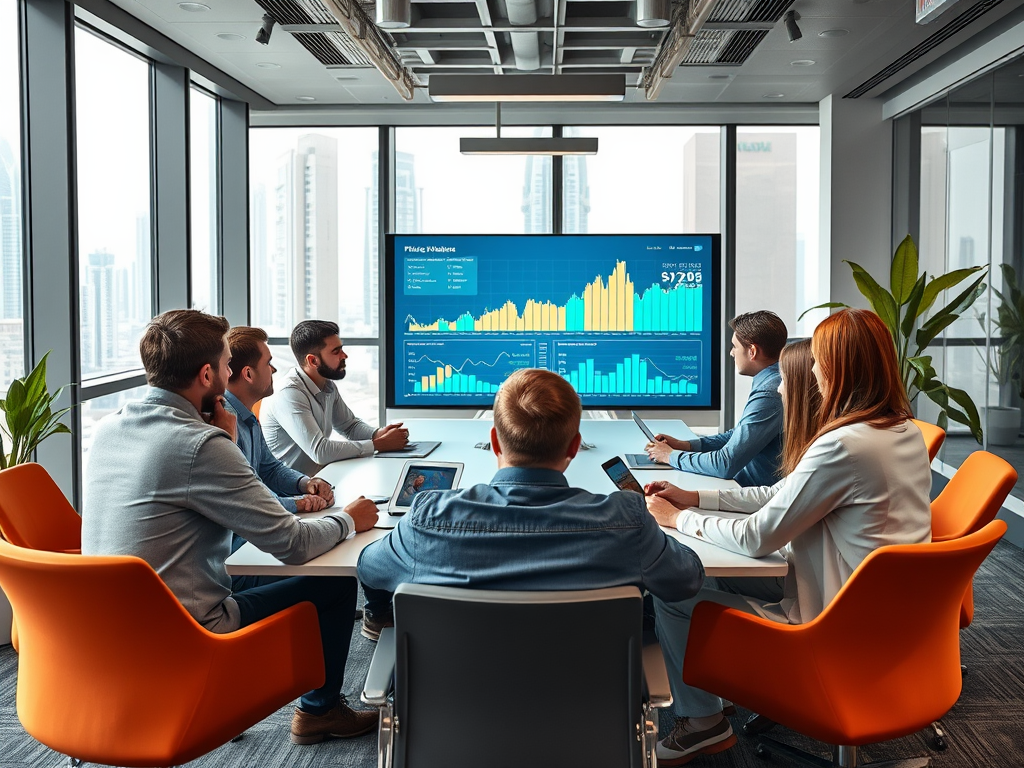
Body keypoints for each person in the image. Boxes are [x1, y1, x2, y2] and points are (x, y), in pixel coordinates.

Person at [644, 309, 932, 766]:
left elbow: (758, 536)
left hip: (834, 622)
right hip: (892, 615)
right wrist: (694, 495)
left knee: (674, 591)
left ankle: (703, 722)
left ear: (838, 368)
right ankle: (716, 692)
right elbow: (780, 492)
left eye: (817, 360)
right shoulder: (900, 430)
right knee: (709, 581)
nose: (807, 371)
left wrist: (679, 520)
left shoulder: (845, 445)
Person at [82, 309, 381, 746]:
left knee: (253, 569)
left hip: (99, 630)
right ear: (207, 374)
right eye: (225, 366)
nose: (229, 374)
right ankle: (320, 712)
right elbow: (292, 544)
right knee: (331, 584)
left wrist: (227, 439)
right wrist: (348, 519)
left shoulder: (109, 428)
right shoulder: (200, 443)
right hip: (183, 633)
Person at [356, 368, 705, 626]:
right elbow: (686, 580)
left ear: (494, 442)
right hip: (590, 712)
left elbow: (370, 568)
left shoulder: (428, 517)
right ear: (573, 446)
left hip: (455, 713)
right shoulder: (627, 520)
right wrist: (663, 524)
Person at [646, 310, 788, 487]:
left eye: (734, 346)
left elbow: (725, 464)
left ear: (752, 351)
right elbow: (738, 435)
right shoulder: (773, 379)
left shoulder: (770, 392)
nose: (731, 353)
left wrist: (669, 456)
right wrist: (685, 445)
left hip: (748, 492)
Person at [262, 320, 409, 476]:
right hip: (291, 492)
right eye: (336, 351)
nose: (344, 355)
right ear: (313, 360)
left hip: (320, 480)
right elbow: (320, 451)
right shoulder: (288, 393)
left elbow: (349, 426)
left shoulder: (327, 385)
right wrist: (378, 444)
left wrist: (378, 434)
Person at [224, 326, 335, 517]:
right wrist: (298, 504)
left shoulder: (246, 416)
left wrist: (305, 483)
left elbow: (269, 469)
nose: (274, 370)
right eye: (268, 363)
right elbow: (244, 500)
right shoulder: (225, 423)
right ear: (248, 374)